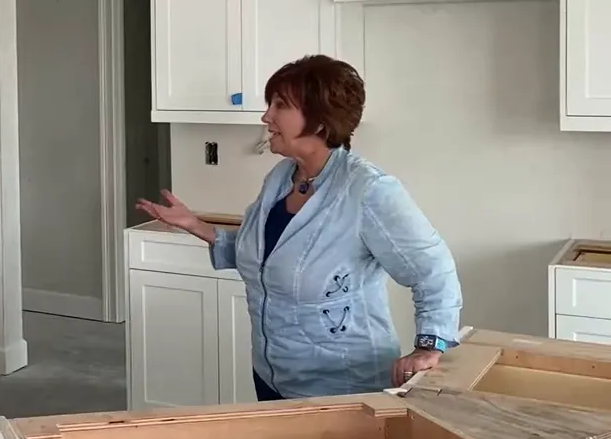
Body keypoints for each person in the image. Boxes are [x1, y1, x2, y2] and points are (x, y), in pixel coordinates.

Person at [136, 54, 462, 401]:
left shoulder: (368, 190)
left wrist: (429, 346)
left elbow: (433, 270)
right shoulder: (280, 177)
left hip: (343, 387)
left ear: (320, 121)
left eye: (280, 105)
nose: (266, 116)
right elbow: (264, 257)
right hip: (271, 374)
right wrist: (196, 225)